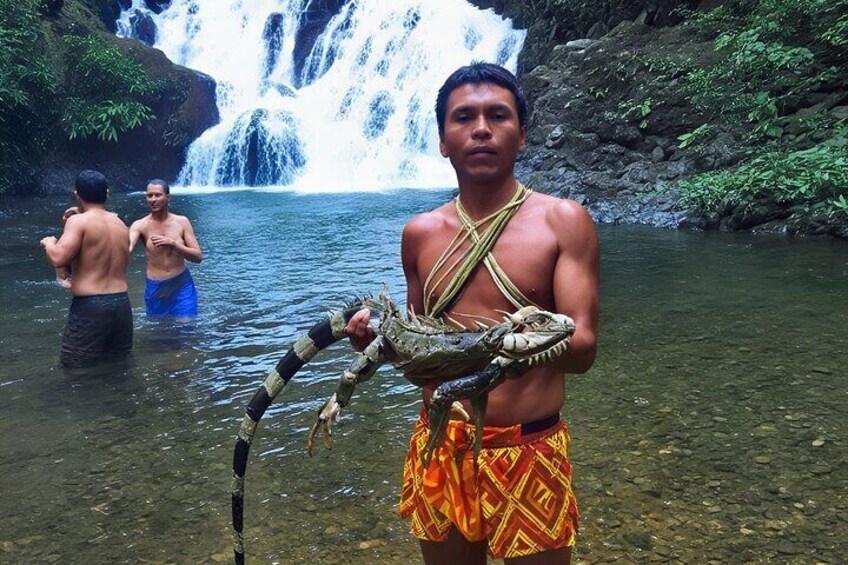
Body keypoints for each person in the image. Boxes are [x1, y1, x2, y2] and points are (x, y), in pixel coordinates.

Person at [346, 63, 599, 564]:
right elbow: (423, 358)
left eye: (497, 115)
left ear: (521, 135)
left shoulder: (563, 221)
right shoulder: (420, 233)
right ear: (442, 139)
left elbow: (584, 348)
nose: (481, 128)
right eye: (464, 117)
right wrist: (379, 345)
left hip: (528, 448)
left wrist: (499, 351)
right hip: (441, 442)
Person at [40, 170, 134, 367]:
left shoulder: (79, 222)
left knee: (75, 368)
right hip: (122, 305)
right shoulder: (120, 224)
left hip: (91, 306)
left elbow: (58, 258)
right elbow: (97, 257)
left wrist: (49, 243)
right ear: (107, 193)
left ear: (77, 195)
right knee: (118, 366)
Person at [129, 179, 202, 318]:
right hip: (156, 288)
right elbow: (127, 247)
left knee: (186, 328)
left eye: (157, 195)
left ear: (168, 198)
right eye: (149, 196)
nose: (153, 199)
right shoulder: (140, 225)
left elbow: (198, 257)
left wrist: (174, 245)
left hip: (181, 285)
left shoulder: (182, 222)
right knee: (159, 333)